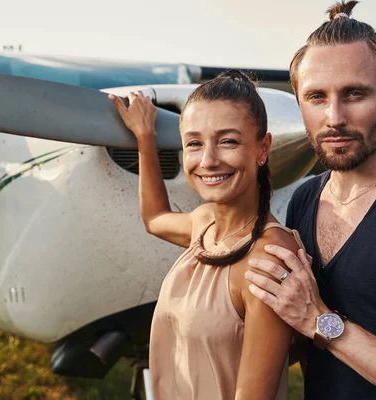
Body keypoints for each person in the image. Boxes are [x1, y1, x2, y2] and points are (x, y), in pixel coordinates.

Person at [245, 1, 376, 399]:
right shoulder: (305, 199)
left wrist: (320, 320)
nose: (334, 117)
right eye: (316, 97)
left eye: (354, 94)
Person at [109, 71, 306, 399]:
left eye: (228, 140)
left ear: (263, 148)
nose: (208, 161)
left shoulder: (267, 263)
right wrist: (146, 138)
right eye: (194, 144)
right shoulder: (206, 225)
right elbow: (155, 218)